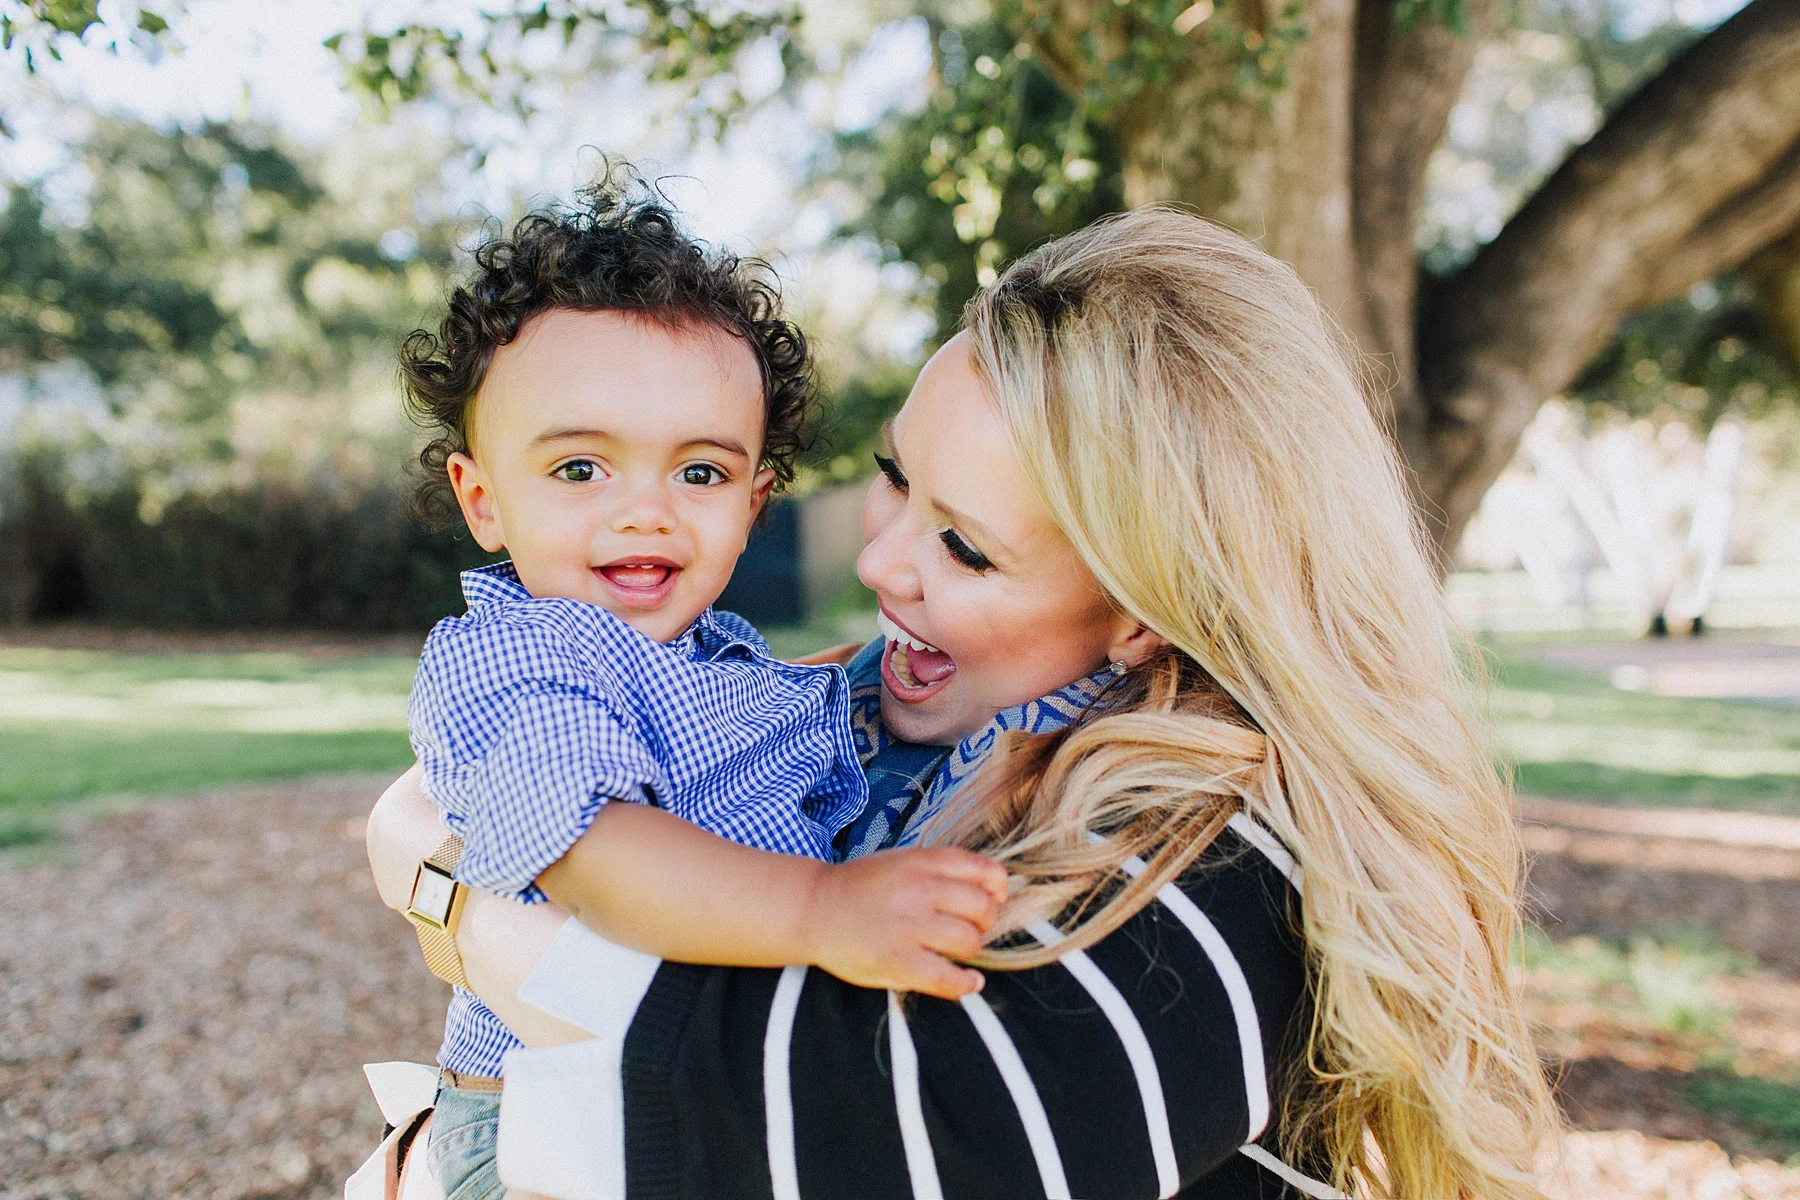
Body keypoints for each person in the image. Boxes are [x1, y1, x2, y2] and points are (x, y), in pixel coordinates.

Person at [368, 207, 1561, 1198]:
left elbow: (854, 1143)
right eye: (895, 481)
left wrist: (447, 900)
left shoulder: (1224, 871)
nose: (883, 565)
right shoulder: (829, 708)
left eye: (967, 548)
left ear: (1150, 601)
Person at [392, 175, 1015, 1200]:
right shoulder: (523, 660)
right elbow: (592, 851)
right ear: (482, 498)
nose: (647, 513)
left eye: (699, 474)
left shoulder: (719, 657)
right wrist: (822, 910)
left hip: (677, 1092)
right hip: (545, 1125)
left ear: (757, 500)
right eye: (582, 470)